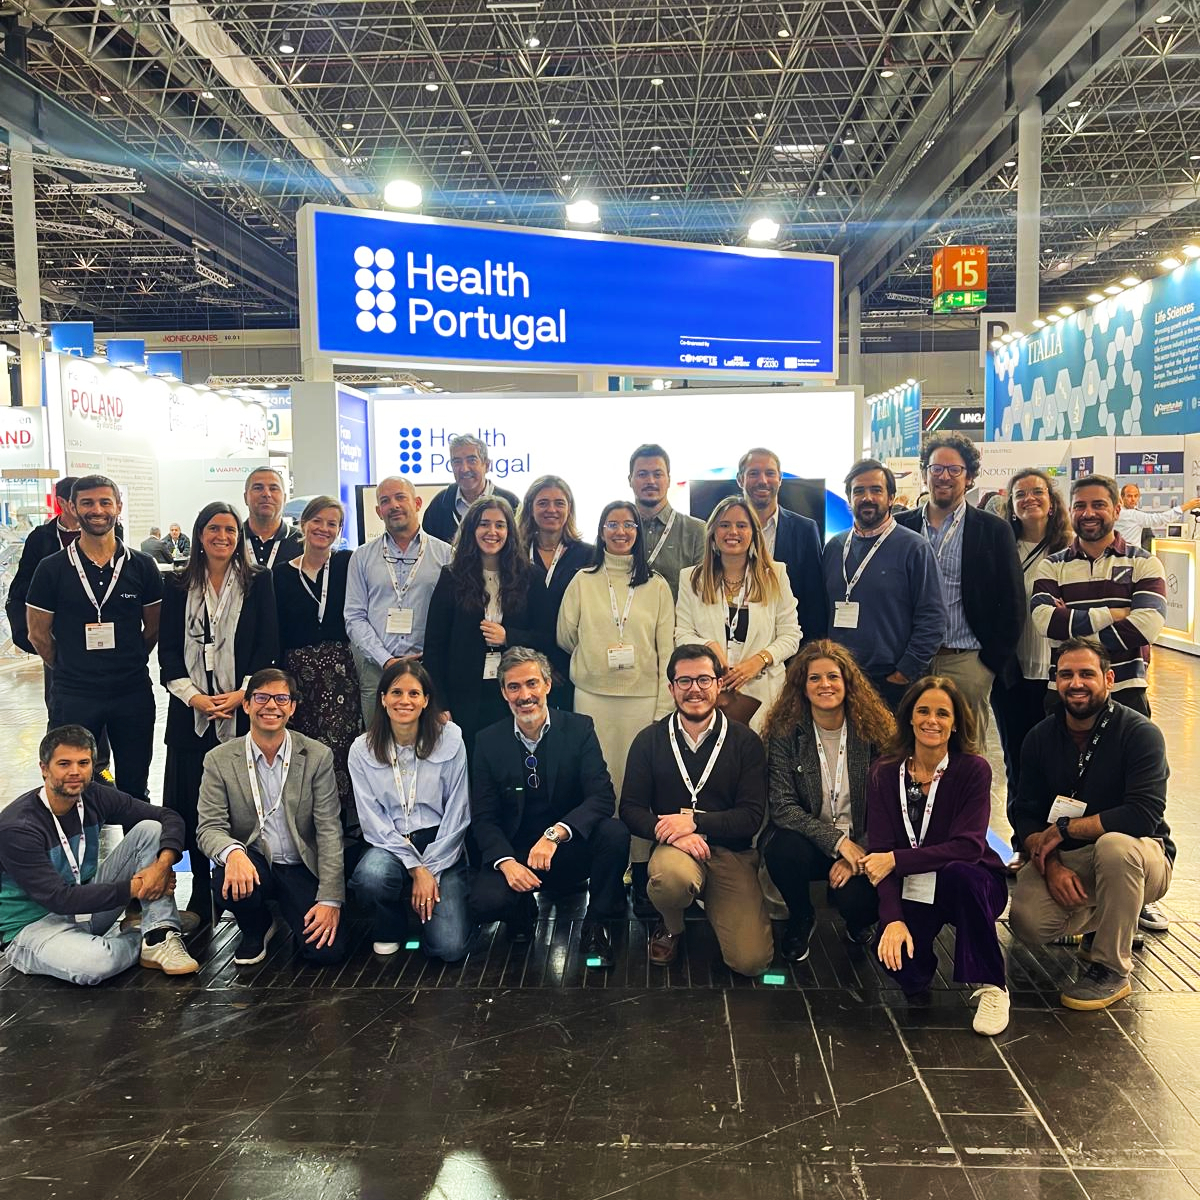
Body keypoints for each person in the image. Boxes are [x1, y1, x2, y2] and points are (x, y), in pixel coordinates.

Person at [1008, 639, 1174, 1010]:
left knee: (1113, 847)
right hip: (1069, 858)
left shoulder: (1140, 734)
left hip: (1141, 855)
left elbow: (1143, 814)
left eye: (1087, 674)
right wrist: (1049, 866)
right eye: (1066, 675)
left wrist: (1066, 830)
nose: (1076, 683)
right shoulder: (1039, 738)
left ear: (1109, 679)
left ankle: (1111, 968)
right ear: (1056, 681)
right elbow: (1025, 813)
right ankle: (1104, 921)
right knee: (1029, 922)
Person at [862, 676, 1010, 1036]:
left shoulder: (973, 769)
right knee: (904, 971)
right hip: (914, 888)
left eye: (943, 713)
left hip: (973, 883)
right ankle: (919, 964)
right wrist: (893, 919)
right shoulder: (884, 772)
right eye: (923, 711)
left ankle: (991, 985)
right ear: (909, 718)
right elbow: (879, 854)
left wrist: (896, 860)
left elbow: (969, 847)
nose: (932, 720)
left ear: (956, 722)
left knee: (961, 872)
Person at [0, 725, 198, 984]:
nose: (75, 772)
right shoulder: (18, 827)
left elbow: (167, 816)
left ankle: (160, 935)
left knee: (151, 829)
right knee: (95, 965)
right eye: (64, 764)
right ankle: (147, 933)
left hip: (86, 905)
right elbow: (59, 899)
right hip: (32, 927)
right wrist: (137, 888)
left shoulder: (93, 795)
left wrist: (162, 866)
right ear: (44, 769)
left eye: (83, 762)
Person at [620, 644, 774, 975]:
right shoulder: (649, 740)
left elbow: (750, 817)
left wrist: (693, 823)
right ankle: (672, 926)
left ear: (719, 684)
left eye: (704, 679)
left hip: (730, 853)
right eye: (685, 681)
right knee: (671, 879)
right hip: (674, 851)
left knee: (752, 963)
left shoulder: (745, 742)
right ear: (671, 688)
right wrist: (674, 835)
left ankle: (714, 902)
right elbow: (630, 809)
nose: (695, 690)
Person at [160, 502, 279, 926]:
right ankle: (198, 895)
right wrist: (194, 697)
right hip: (190, 714)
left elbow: (268, 645)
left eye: (230, 530)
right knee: (190, 804)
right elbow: (169, 651)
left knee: (243, 801)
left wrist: (240, 695)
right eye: (214, 529)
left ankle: (243, 881)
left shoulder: (258, 582)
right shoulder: (176, 585)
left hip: (242, 709)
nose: (223, 537)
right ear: (199, 534)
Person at [471, 648, 630, 966]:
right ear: (504, 692)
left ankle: (596, 924)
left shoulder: (579, 729)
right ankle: (520, 908)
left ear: (547, 684)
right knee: (484, 902)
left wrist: (555, 834)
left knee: (614, 832)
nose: (524, 694)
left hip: (566, 848)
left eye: (532, 683)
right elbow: (484, 817)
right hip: (518, 854)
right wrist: (506, 863)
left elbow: (601, 796)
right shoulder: (487, 741)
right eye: (514, 687)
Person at [557, 500, 675, 909]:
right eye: (612, 524)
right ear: (601, 530)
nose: (621, 532)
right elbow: (565, 636)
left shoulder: (657, 584)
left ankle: (642, 875)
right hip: (592, 699)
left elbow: (666, 651)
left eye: (628, 525)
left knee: (640, 789)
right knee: (595, 786)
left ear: (639, 533)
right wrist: (594, 660)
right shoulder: (582, 580)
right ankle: (602, 873)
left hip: (643, 700)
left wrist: (663, 709)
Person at [26, 474, 162, 800]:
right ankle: (77, 849)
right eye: (87, 503)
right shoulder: (51, 568)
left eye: (104, 502)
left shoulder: (143, 567)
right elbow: (38, 634)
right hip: (74, 692)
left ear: (118, 506)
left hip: (131, 691)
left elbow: (153, 629)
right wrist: (71, 664)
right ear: (72, 507)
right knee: (70, 786)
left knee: (134, 785)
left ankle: (138, 850)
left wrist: (126, 658)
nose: (96, 509)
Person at [197, 668, 346, 966]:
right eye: (262, 697)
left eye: (281, 698)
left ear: (292, 707)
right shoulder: (219, 759)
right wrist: (233, 853)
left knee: (328, 952)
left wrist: (330, 899)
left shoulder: (317, 756)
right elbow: (209, 827)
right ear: (247, 704)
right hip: (253, 862)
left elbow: (329, 830)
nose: (271, 706)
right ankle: (257, 926)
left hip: (300, 865)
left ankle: (291, 911)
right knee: (226, 879)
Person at [760, 640, 896, 961]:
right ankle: (802, 915)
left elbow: (889, 807)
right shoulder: (785, 734)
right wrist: (838, 843)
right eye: (815, 678)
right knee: (781, 849)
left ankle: (858, 923)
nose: (825, 685)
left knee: (860, 902)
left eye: (833, 677)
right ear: (801, 687)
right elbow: (783, 806)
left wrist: (857, 849)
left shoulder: (875, 734)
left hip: (865, 844)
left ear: (848, 683)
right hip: (811, 840)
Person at [895, 432, 1025, 741]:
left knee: (966, 752)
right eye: (937, 468)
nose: (944, 476)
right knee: (909, 745)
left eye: (955, 470)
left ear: (969, 477)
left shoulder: (993, 530)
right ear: (925, 472)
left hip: (967, 660)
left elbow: (1013, 602)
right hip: (912, 661)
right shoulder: (900, 526)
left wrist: (988, 665)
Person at [348, 661, 472, 961]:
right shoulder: (361, 750)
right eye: (396, 692)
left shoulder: (451, 738)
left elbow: (459, 812)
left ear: (426, 700)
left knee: (450, 949)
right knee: (371, 877)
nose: (405, 701)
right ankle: (391, 922)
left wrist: (431, 868)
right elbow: (372, 820)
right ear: (383, 698)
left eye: (414, 693)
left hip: (440, 842)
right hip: (389, 842)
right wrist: (417, 870)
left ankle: (430, 912)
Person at [1032, 474, 1167, 719]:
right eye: (1080, 506)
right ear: (1071, 510)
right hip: (1065, 690)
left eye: (1098, 505)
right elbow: (1045, 621)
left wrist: (1068, 637)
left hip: (1126, 689)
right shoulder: (1051, 566)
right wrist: (1113, 614)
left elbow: (1147, 626)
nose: (1088, 513)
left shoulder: (1144, 563)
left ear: (1117, 510)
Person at [424, 495, 548, 757]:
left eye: (500, 525)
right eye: (484, 524)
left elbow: (545, 637)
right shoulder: (452, 576)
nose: (492, 532)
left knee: (512, 762)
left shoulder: (531, 576)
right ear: (471, 530)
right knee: (472, 764)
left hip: (514, 692)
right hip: (465, 695)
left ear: (510, 531)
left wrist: (508, 636)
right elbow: (435, 646)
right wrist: (439, 702)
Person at [822, 458, 945, 710]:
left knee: (890, 750)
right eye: (859, 491)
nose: (867, 497)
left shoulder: (914, 547)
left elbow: (933, 618)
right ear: (848, 498)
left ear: (891, 498)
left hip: (891, 680)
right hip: (840, 678)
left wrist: (903, 673)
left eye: (876, 490)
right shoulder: (835, 547)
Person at [674, 495, 800, 733]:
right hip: (711, 693)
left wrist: (758, 661)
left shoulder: (776, 574)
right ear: (712, 533)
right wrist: (708, 645)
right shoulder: (691, 578)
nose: (733, 531)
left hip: (764, 693)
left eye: (741, 525)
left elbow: (791, 635)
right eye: (724, 525)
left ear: (753, 533)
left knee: (762, 763)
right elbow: (682, 633)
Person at [990, 469, 1072, 825]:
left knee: (1061, 760)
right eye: (1020, 494)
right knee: (1017, 759)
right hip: (1012, 673)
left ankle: (1061, 839)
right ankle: (1023, 838)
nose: (1029, 499)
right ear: (1010, 505)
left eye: (1037, 492)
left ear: (1052, 502)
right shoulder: (999, 547)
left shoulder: (1071, 548)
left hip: (1060, 674)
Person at [274, 495, 361, 820]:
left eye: (332, 524)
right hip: (297, 676)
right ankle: (303, 829)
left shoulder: (346, 564)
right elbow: (277, 630)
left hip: (340, 675)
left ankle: (341, 835)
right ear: (303, 524)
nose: (324, 529)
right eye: (318, 521)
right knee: (302, 752)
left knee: (339, 751)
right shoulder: (281, 575)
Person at [345, 476, 452, 727]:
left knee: (429, 745)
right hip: (377, 670)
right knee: (377, 747)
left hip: (429, 670)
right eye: (385, 501)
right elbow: (354, 616)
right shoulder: (361, 557)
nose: (393, 505)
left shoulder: (446, 554)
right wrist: (386, 660)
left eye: (400, 497)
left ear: (417, 503)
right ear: (378, 511)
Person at [518, 475, 594, 711]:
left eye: (559, 503)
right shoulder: (514, 554)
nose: (551, 509)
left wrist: (558, 665)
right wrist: (540, 664)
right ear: (530, 508)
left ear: (569, 509)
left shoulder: (589, 556)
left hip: (572, 665)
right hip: (523, 665)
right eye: (543, 503)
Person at [737, 446, 828, 643]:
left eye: (770, 473)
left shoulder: (805, 530)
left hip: (788, 649)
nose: (763, 480)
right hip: (734, 647)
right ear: (740, 480)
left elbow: (813, 602)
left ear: (780, 480)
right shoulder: (722, 530)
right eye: (754, 473)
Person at [627, 443, 706, 602]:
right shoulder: (616, 531)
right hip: (623, 624)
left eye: (657, 474)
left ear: (669, 480)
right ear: (630, 480)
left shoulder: (697, 531)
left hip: (677, 625)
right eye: (642, 474)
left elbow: (703, 594)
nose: (650, 481)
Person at [421, 433, 519, 544]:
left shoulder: (510, 502)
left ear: (486, 465)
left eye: (471, 460)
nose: (464, 469)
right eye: (457, 462)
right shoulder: (440, 503)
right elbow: (427, 547)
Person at [242, 466, 302, 568]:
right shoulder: (231, 539)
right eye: (258, 488)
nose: (266, 494)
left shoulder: (302, 542)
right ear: (245, 498)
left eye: (273, 488)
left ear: (284, 498)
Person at [1115, 482, 1200, 547]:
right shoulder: (1132, 515)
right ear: (1122, 498)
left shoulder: (1116, 512)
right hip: (1129, 558)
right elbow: (1160, 519)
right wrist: (1187, 506)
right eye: (1129, 496)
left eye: (1136, 496)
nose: (1133, 499)